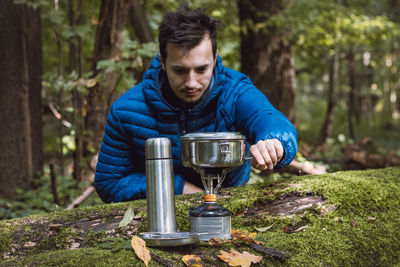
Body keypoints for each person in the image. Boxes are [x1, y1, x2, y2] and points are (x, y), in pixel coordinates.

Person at [95, 4, 298, 203]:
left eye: (201, 69)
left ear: (215, 58)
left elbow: (270, 120)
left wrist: (274, 142)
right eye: (180, 70)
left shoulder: (235, 91)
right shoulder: (126, 110)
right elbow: (109, 183)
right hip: (156, 216)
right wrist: (177, 188)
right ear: (163, 62)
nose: (191, 83)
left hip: (231, 207)